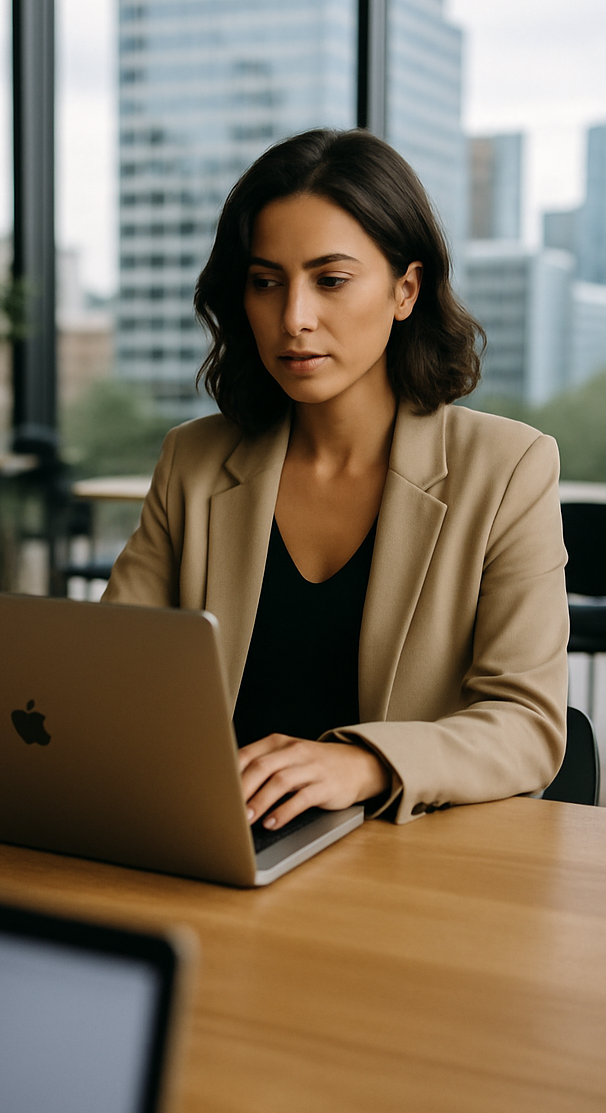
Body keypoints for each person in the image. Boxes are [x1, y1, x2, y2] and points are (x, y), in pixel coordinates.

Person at [104, 128, 569, 831]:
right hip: (213, 840)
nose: (295, 319)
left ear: (405, 290)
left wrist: (366, 762)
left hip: (402, 863)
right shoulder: (192, 462)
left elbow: (529, 725)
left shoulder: (507, 469)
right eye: (266, 283)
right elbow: (109, 676)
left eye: (331, 280)